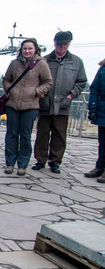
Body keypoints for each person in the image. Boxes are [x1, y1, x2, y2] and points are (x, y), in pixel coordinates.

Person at [33, 31, 87, 173]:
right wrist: (41, 93)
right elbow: (36, 79)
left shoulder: (77, 61)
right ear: (54, 43)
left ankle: (55, 161)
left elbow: (81, 82)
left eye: (65, 44)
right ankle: (40, 160)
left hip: (63, 104)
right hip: (45, 103)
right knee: (42, 133)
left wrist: (71, 95)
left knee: (59, 134)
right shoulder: (44, 60)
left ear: (69, 44)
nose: (62, 46)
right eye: (59, 44)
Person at [2, 38, 52, 176]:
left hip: (30, 105)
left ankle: (22, 164)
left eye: (30, 48)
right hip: (12, 104)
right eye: (25, 48)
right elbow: (6, 79)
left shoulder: (41, 64)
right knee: (11, 135)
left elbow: (48, 82)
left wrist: (36, 91)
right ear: (21, 50)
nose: (27, 51)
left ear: (35, 49)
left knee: (25, 135)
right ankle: (10, 163)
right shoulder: (14, 63)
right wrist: (9, 90)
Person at [84, 59, 105, 183]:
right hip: (102, 109)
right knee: (102, 142)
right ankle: (99, 167)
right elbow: (94, 89)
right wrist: (92, 107)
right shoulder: (102, 69)